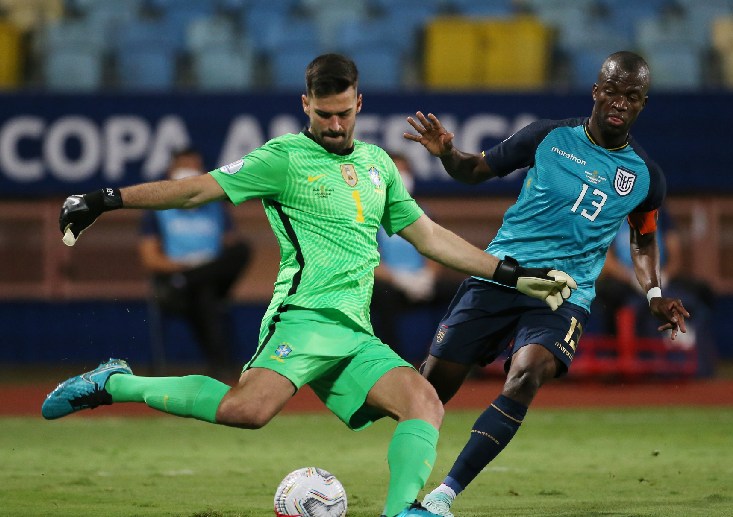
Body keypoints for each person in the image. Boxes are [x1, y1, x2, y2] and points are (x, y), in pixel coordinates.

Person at [42, 54, 576, 517]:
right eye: (324, 114)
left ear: (359, 104)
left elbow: (431, 238)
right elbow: (194, 192)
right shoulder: (282, 159)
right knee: (247, 412)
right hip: (303, 317)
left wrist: (510, 273)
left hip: (355, 332)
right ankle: (115, 383)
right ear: (306, 105)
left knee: (424, 401)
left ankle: (401, 511)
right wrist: (106, 199)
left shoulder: (378, 165)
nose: (335, 125)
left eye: (344, 113)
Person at [402, 51, 691, 516]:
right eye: (612, 91)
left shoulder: (645, 177)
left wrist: (654, 292)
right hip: (503, 275)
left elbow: (643, 239)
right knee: (428, 392)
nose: (620, 102)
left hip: (563, 296)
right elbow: (473, 171)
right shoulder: (548, 136)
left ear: (643, 104)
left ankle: (443, 496)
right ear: (596, 91)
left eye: (632, 96)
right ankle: (402, 495)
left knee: (526, 375)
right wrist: (449, 155)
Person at [138, 146, 251, 379]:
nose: (190, 172)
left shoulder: (216, 206)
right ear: (171, 170)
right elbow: (150, 259)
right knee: (205, 294)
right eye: (184, 166)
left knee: (241, 251)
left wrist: (201, 270)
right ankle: (221, 368)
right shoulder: (158, 210)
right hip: (172, 285)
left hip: (203, 278)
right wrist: (183, 267)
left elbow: (231, 248)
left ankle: (190, 280)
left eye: (195, 167)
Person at [595, 206, 717, 377]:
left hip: (660, 280)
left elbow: (675, 255)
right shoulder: (612, 212)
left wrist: (664, 276)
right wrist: (632, 278)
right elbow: (606, 260)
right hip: (626, 282)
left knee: (702, 290)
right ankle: (618, 360)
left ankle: (697, 355)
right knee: (609, 293)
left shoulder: (660, 213)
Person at [371, 151, 459, 363]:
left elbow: (436, 252)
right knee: (382, 296)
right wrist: (401, 280)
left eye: (405, 172)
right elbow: (370, 260)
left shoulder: (423, 213)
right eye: (395, 173)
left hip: (422, 281)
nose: (401, 177)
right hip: (390, 283)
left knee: (462, 292)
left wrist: (427, 276)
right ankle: (394, 361)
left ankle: (451, 358)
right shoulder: (371, 214)